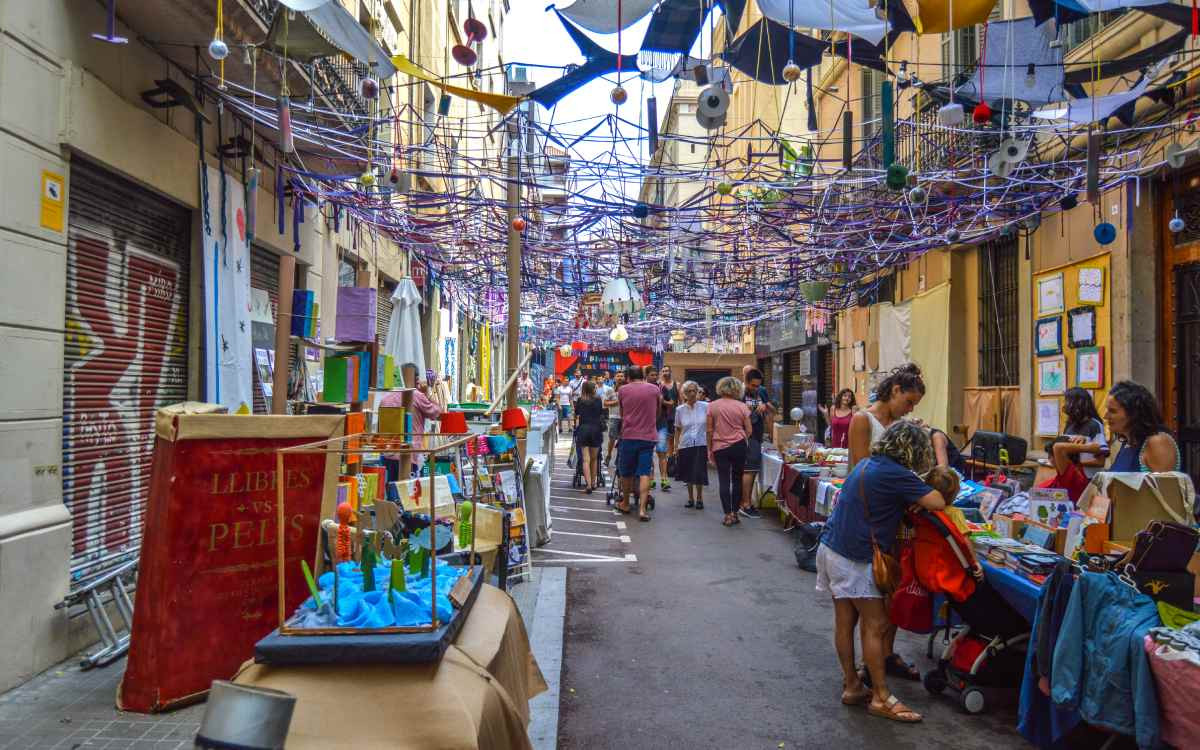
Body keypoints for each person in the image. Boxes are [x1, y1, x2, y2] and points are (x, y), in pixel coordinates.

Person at [816, 421, 945, 724]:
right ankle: (881, 696)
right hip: (857, 557)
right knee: (876, 625)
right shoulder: (897, 474)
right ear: (914, 450)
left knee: (845, 621)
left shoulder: (867, 464)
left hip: (833, 547)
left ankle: (852, 686)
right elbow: (937, 501)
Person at [848, 364, 926, 469]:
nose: (911, 409)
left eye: (914, 405)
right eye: (909, 402)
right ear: (896, 390)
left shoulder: (901, 425)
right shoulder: (863, 419)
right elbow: (862, 470)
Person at [1104, 380, 1181, 473]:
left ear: (1134, 413)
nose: (1106, 416)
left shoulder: (1157, 442)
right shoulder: (1128, 443)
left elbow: (1165, 486)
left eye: (1112, 411)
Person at [617, 365, 662, 522]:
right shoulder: (655, 389)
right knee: (644, 472)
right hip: (648, 436)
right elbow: (658, 411)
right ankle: (642, 509)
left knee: (626, 472)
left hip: (629, 435)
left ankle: (625, 503)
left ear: (628, 376)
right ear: (643, 375)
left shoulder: (623, 390)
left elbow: (622, 414)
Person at [707, 376, 753, 527]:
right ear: (737, 389)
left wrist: (710, 447)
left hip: (720, 447)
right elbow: (749, 430)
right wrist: (740, 438)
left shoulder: (712, 406)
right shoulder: (742, 406)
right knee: (738, 479)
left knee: (724, 480)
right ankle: (735, 512)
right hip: (739, 445)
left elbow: (709, 429)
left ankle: (727, 514)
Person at [738, 368, 776, 518]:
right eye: (753, 385)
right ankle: (745, 504)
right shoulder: (739, 394)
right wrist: (749, 409)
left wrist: (765, 406)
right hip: (746, 437)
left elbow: (772, 410)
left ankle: (747, 502)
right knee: (748, 470)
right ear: (746, 381)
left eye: (758, 385)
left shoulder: (760, 392)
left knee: (752, 470)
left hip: (757, 436)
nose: (755, 388)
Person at [674, 381, 709, 510]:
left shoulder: (705, 406)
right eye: (689, 391)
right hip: (686, 444)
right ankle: (690, 498)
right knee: (688, 472)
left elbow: (710, 427)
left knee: (699, 472)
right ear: (684, 393)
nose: (693, 393)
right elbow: (677, 429)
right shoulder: (680, 410)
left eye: (695, 390)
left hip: (701, 443)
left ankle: (700, 498)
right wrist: (676, 446)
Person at [573, 381, 606, 493]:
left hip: (583, 429)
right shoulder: (598, 400)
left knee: (585, 460)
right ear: (593, 389)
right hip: (596, 430)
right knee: (594, 459)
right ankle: (594, 482)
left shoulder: (580, 400)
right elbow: (600, 413)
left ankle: (588, 485)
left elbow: (577, 414)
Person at [659, 366, 680, 491]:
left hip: (674, 415)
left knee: (672, 442)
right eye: (664, 371)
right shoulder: (659, 385)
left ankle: (671, 464)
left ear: (671, 372)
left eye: (667, 371)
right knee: (665, 442)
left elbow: (680, 401)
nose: (666, 373)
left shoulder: (676, 384)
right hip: (662, 417)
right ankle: (667, 465)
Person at [604, 369, 625, 466]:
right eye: (618, 376)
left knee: (623, 439)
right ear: (614, 378)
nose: (620, 378)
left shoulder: (627, 389)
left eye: (622, 376)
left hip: (625, 418)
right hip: (613, 417)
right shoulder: (610, 390)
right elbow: (605, 403)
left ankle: (619, 457)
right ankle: (608, 455)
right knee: (612, 439)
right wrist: (616, 402)